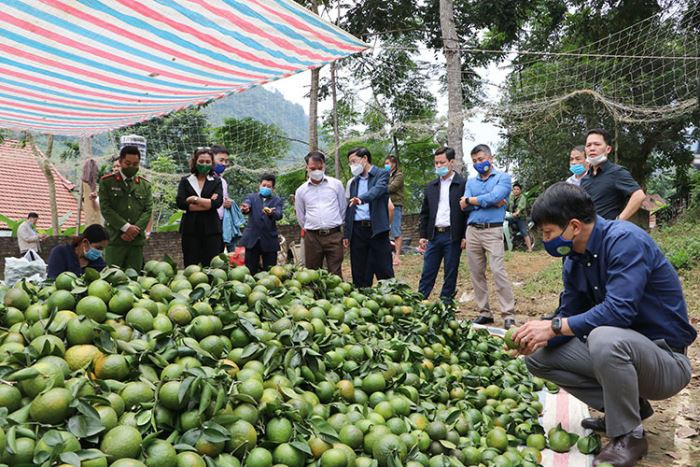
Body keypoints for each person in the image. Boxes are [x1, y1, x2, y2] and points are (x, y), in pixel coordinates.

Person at [513, 182, 696, 467]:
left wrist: (554, 327)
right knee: (539, 356)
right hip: (622, 352)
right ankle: (628, 409)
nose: (546, 240)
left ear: (573, 226)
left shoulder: (624, 241)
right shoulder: (574, 259)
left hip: (665, 361)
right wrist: (541, 333)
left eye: (548, 233)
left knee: (603, 337)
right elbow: (570, 312)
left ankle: (629, 436)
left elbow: (619, 311)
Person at [461, 144, 516, 329]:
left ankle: (508, 314)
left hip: (493, 230)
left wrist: (473, 200)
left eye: (481, 159)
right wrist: (486, 201)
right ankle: (484, 313)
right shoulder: (470, 182)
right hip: (473, 231)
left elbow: (496, 196)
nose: (478, 163)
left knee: (498, 271)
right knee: (476, 273)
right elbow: (464, 205)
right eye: (475, 161)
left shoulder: (504, 178)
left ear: (491, 158)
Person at [417, 147, 467, 302]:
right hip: (434, 235)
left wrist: (465, 235)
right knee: (428, 270)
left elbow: (467, 213)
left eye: (442, 162)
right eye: (436, 163)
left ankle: (446, 304)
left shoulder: (462, 184)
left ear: (451, 162)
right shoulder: (431, 186)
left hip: (453, 235)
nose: (438, 166)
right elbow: (425, 213)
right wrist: (423, 235)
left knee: (450, 271)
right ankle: (420, 300)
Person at [344, 147, 393, 288]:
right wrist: (347, 233)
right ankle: (362, 301)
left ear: (364, 159)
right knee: (360, 272)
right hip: (358, 231)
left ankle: (390, 301)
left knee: (384, 270)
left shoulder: (382, 175)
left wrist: (361, 199)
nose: (352, 166)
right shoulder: (353, 182)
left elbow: (377, 191)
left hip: (377, 229)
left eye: (354, 161)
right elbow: (349, 209)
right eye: (350, 163)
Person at [99, 145, 153, 271]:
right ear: (121, 162)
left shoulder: (145, 185)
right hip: (115, 239)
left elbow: (148, 210)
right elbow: (106, 209)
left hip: (136, 242)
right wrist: (126, 227)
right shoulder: (107, 182)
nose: (131, 167)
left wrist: (134, 231)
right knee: (112, 276)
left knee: (134, 279)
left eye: (135, 164)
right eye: (128, 163)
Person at [294, 151, 346, 277]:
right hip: (312, 237)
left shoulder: (336, 185)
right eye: (312, 168)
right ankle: (314, 296)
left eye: (320, 168)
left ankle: (335, 296)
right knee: (312, 272)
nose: (316, 171)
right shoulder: (301, 191)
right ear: (307, 168)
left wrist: (337, 227)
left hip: (334, 235)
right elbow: (300, 215)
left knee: (335, 273)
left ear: (324, 166)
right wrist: (310, 228)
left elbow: (343, 208)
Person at [581, 128, 646, 220]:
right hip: (588, 231)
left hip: (608, 232)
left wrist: (618, 221)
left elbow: (639, 195)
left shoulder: (616, 172)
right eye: (588, 145)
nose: (592, 148)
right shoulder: (585, 179)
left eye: (597, 144)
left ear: (608, 149)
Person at [176, 148, 224, 267]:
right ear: (195, 162)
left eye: (208, 162)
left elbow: (217, 203)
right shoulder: (186, 180)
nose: (204, 164)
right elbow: (181, 203)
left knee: (212, 266)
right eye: (201, 161)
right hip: (190, 230)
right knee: (191, 265)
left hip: (212, 230)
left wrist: (193, 199)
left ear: (212, 163)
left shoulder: (216, 181)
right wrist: (208, 203)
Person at [239, 174, 284, 274]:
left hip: (269, 240)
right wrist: (245, 208)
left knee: (270, 271)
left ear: (273, 188)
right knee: (250, 271)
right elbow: (246, 205)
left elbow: (279, 215)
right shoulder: (251, 197)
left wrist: (272, 213)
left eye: (269, 186)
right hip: (252, 240)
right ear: (259, 185)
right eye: (264, 185)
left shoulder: (277, 200)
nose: (266, 188)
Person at [211, 145, 236, 251]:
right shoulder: (204, 178)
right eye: (221, 160)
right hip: (209, 222)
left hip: (221, 222)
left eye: (226, 161)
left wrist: (228, 203)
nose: (224, 164)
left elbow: (224, 199)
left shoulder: (223, 181)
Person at [384, 156, 404, 266]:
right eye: (385, 163)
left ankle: (397, 256)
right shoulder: (385, 175)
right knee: (385, 231)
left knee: (396, 230)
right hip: (385, 205)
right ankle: (388, 254)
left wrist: (379, 188)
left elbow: (392, 188)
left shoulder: (399, 175)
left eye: (388, 163)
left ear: (394, 164)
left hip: (395, 205)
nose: (386, 165)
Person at [507, 182, 533, 252]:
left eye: (517, 189)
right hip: (512, 217)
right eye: (514, 189)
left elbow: (520, 207)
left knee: (524, 232)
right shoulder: (511, 197)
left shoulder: (522, 198)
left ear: (520, 190)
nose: (515, 190)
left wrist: (516, 213)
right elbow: (506, 205)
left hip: (520, 218)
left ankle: (530, 248)